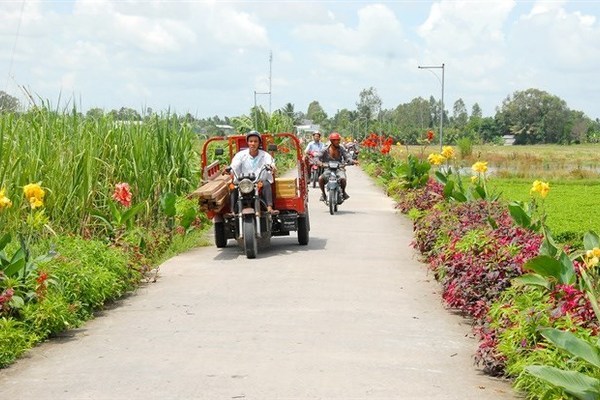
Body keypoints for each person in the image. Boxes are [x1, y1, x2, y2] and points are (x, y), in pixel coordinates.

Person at [229, 131, 277, 213]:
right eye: (251, 141)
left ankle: (269, 208)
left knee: (266, 184)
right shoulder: (240, 155)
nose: (253, 144)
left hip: (259, 182)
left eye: (255, 141)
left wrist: (272, 166)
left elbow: (270, 162)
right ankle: (232, 211)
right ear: (247, 142)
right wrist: (230, 169)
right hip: (244, 182)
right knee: (233, 187)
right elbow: (234, 165)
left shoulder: (265, 155)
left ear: (259, 143)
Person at [317, 132, 355, 202]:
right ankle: (323, 194)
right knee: (320, 179)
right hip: (328, 168)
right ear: (331, 141)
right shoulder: (325, 149)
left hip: (339, 168)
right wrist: (319, 163)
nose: (337, 142)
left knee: (343, 179)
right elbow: (318, 157)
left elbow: (347, 156)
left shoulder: (341, 149)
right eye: (335, 140)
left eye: (338, 140)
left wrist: (351, 161)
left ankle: (343, 192)